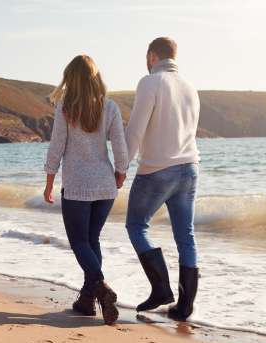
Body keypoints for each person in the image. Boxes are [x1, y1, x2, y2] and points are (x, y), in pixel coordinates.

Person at [44, 55, 128, 325]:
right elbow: (120, 146)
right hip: (104, 185)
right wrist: (121, 173)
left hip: (77, 186)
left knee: (80, 243)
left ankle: (101, 288)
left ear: (71, 78)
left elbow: (57, 146)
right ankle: (87, 301)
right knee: (92, 242)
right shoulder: (110, 107)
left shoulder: (66, 108)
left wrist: (49, 181)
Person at [124, 37, 200, 321]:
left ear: (152, 56)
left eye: (146, 57)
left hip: (157, 169)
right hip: (190, 168)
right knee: (186, 236)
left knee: (135, 225)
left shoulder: (150, 82)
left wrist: (121, 166)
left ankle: (161, 289)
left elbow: (135, 131)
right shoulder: (190, 87)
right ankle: (184, 307)